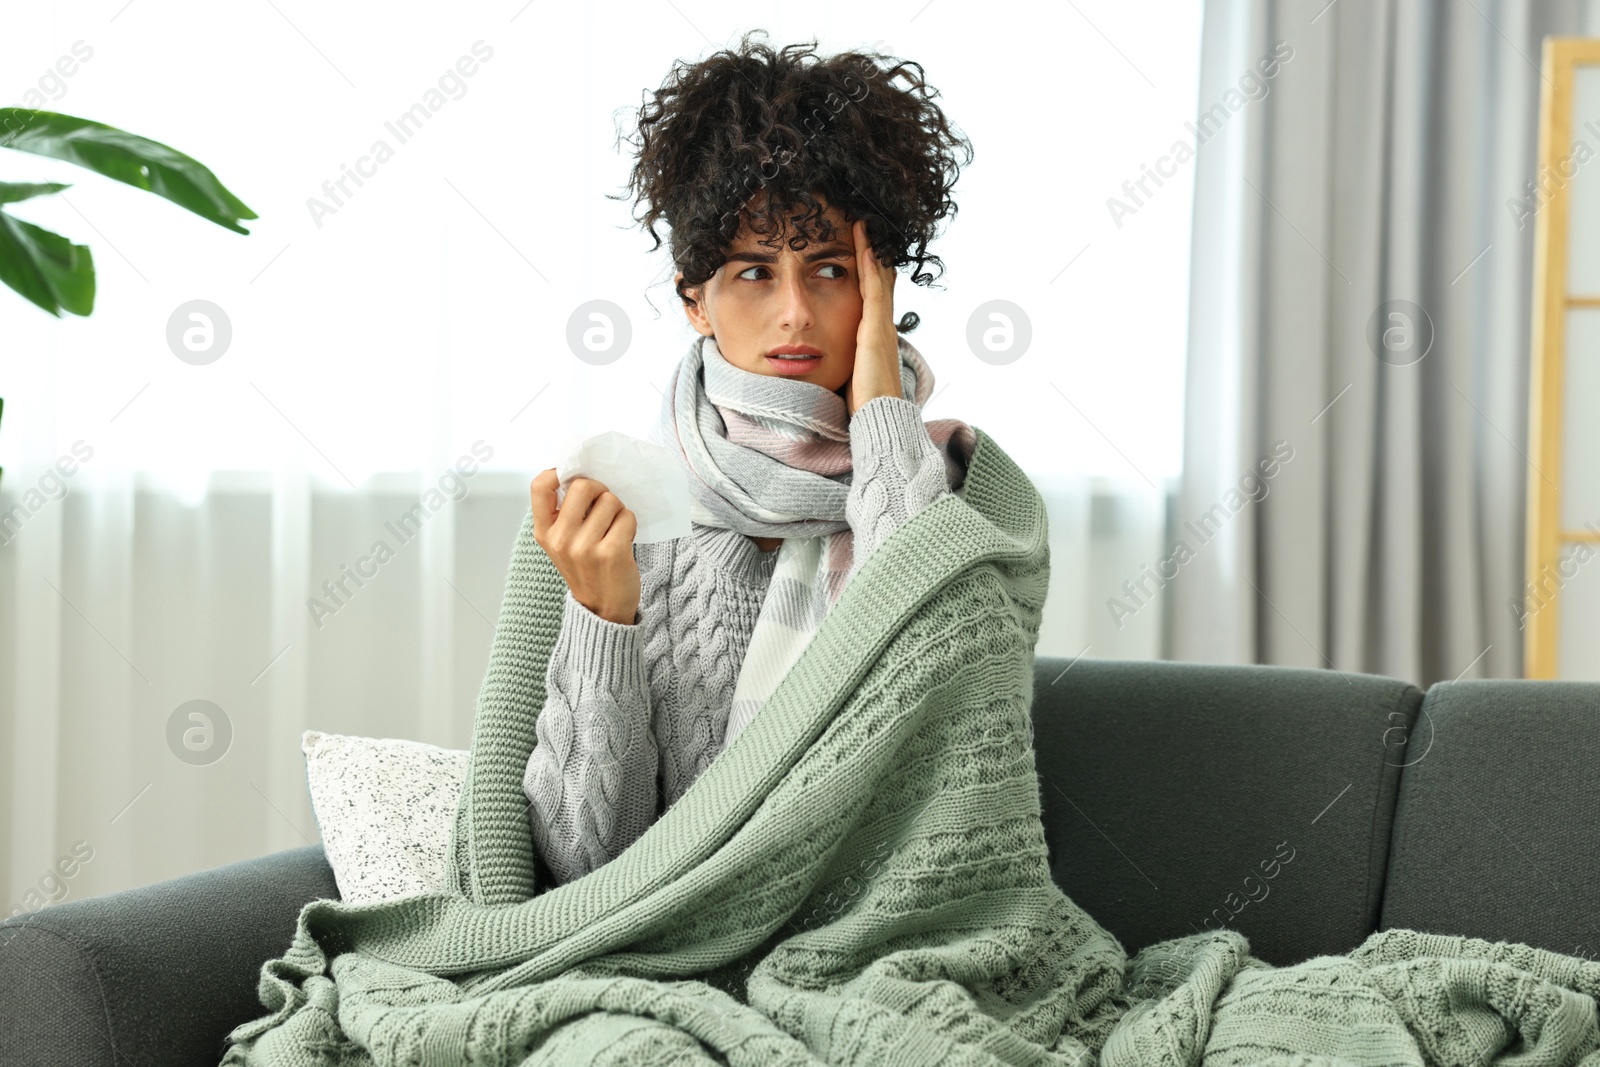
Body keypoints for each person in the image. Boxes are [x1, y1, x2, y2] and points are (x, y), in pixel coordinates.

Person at [521, 31, 976, 886]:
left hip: (878, 936)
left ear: (879, 287)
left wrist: (882, 408)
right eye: (755, 272)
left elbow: (926, 683)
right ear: (697, 300)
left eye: (831, 269)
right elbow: (584, 861)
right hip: (677, 948)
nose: (796, 312)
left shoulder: (952, 486)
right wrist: (605, 620)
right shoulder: (620, 513)